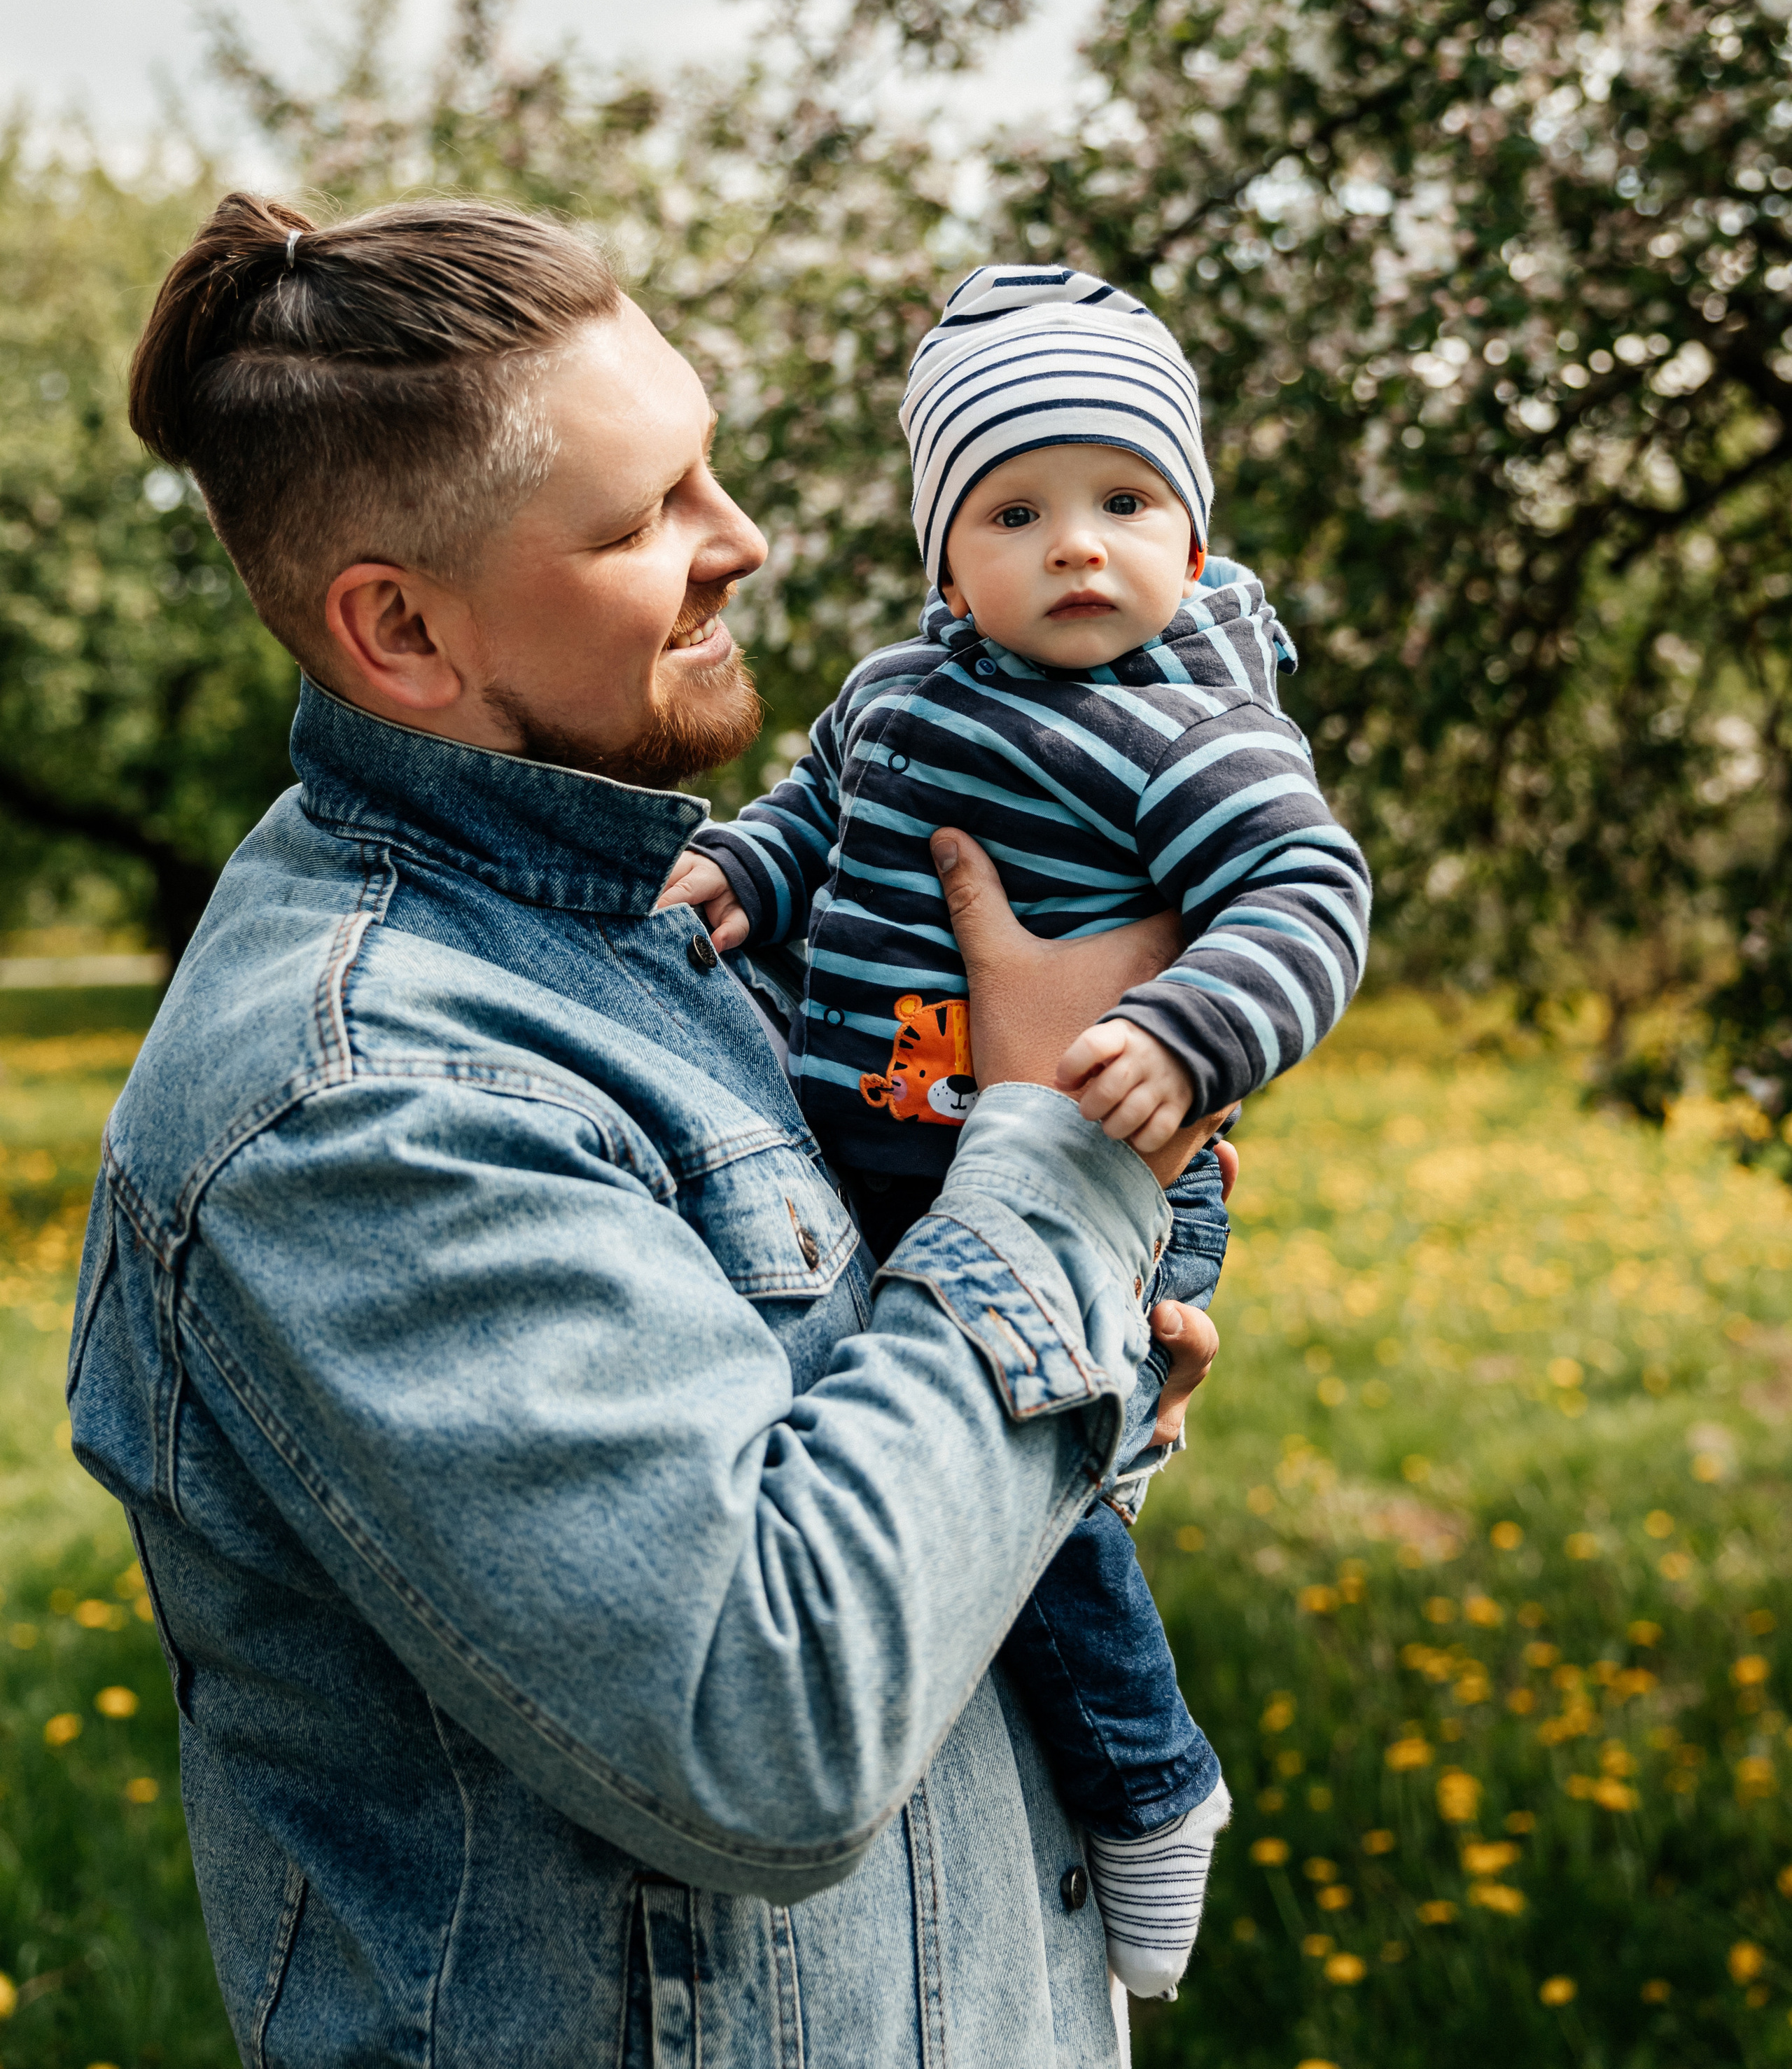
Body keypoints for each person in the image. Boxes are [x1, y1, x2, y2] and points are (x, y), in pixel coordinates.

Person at [68, 193, 1233, 2069]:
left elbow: (876, 1480)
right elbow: (768, 1731)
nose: (745, 543)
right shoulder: (365, 1103)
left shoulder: (671, 917)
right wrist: (1059, 1154)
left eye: (707, 467)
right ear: (401, 629)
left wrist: (1079, 1385)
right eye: (642, 519)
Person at [663, 265, 1370, 1998]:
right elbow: (817, 807)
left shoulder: (1182, 729)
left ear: (1191, 543)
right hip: (880, 1154)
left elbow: (1306, 893)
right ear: (943, 557)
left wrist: (1182, 1028)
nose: (1077, 547)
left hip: (1100, 1154)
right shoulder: (900, 694)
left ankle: (1148, 1788)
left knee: (1029, 1513)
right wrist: (741, 872)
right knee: (892, 1484)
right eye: (1018, 509)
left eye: (1126, 503)